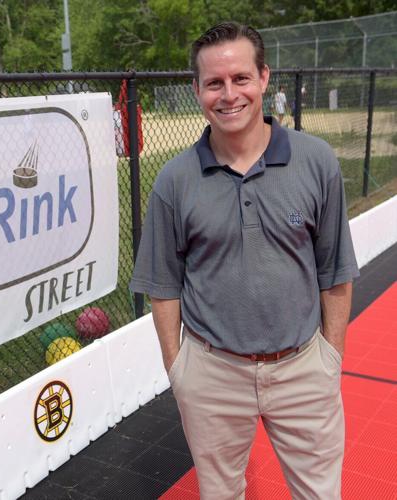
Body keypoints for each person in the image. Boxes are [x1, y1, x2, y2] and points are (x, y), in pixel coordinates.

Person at [130, 22, 358, 499]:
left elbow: (334, 269)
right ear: (197, 89)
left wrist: (330, 357)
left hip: (303, 368)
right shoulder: (174, 181)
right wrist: (180, 371)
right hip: (212, 375)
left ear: (264, 78)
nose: (229, 94)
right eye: (214, 82)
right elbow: (163, 285)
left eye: (241, 78)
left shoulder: (316, 161)